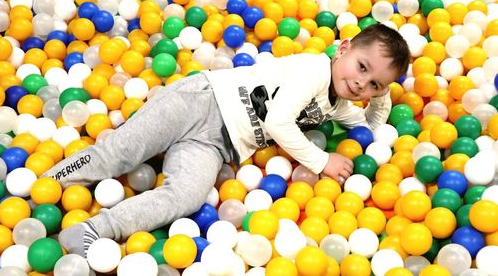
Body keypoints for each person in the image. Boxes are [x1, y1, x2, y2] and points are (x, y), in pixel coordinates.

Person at [43, 23, 410, 257]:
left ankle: (92, 230)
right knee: (121, 152)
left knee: (186, 198)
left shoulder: (341, 103)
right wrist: (321, 161)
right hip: (202, 101)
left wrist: (382, 96)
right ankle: (48, 185)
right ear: (343, 49)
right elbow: (279, 121)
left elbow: (371, 125)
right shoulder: (314, 68)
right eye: (362, 67)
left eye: (375, 82)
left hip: (218, 145)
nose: (363, 83)